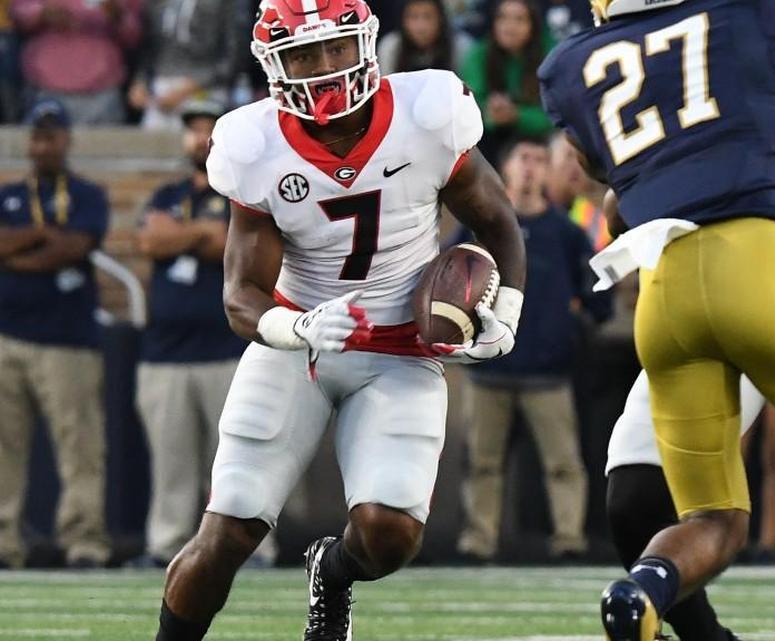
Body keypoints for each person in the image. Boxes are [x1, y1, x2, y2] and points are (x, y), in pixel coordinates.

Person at [151, 2, 525, 641]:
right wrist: (296, 329)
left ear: (368, 44)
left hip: (403, 351)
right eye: (302, 55)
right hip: (299, 343)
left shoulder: (427, 114)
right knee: (227, 531)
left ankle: (335, 570)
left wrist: (506, 312)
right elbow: (241, 294)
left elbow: (497, 222)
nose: (323, 69)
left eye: (335, 49)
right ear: (275, 65)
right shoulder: (255, 146)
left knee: (390, 536)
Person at [538, 0, 775, 639]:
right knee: (634, 497)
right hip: (731, 268)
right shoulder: (723, 27)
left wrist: (748, 195)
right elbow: (618, 204)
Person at [133, 100, 278, 569]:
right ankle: (166, 545)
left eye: (208, 130)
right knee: (171, 464)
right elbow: (150, 241)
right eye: (193, 130)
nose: (200, 139)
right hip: (165, 354)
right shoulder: (166, 193)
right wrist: (202, 233)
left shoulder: (245, 192)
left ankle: (251, 549)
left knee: (238, 460)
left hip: (226, 350)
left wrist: (188, 234)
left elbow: (223, 242)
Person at [453, 136, 610, 562]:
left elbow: (598, 296)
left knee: (563, 462)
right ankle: (478, 539)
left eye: (540, 160)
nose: (531, 167)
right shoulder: (479, 225)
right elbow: (448, 281)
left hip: (548, 371)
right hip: (488, 368)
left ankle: (569, 539)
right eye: (523, 157)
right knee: (482, 462)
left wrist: (570, 328)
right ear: (504, 169)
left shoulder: (567, 233)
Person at [0, 99, 111, 569]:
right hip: (7, 337)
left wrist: (18, 250)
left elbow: (71, 249)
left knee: (80, 446)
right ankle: (5, 543)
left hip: (68, 342)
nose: (44, 145)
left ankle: (84, 541)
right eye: (37, 136)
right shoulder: (8, 194)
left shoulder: (87, 194)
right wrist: (41, 239)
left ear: (66, 140)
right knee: (3, 446)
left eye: (52, 136)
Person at [11, 0, 142, 125]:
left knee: (104, 147)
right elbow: (18, 12)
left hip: (102, 94)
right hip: (46, 90)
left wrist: (118, 15)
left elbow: (134, 36)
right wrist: (42, 12)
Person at [460, 0, 554, 164]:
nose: (509, 27)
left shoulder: (550, 56)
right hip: (490, 140)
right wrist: (492, 113)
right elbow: (468, 106)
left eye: (519, 19)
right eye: (503, 18)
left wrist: (517, 115)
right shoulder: (479, 54)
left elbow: (555, 117)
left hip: (540, 142)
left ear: (534, 24)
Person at [129, 0, 245, 130]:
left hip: (206, 89)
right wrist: (140, 81)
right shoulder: (156, 4)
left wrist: (193, 85)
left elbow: (233, 55)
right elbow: (148, 46)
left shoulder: (223, 4)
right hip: (161, 89)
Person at [378, 0, 472, 75]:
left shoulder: (460, 46)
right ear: (403, 20)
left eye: (428, 16)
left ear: (441, 19)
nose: (421, 27)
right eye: (413, 17)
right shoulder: (391, 47)